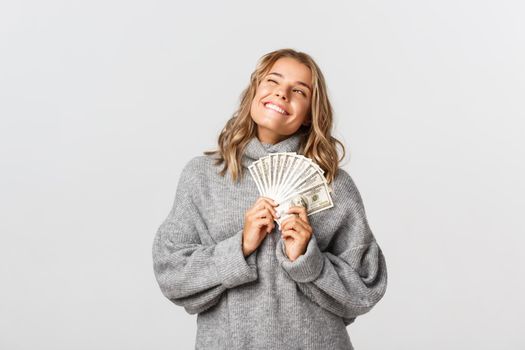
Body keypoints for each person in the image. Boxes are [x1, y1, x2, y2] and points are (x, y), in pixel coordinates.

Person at [152, 48, 388, 350]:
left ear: (309, 114)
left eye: (298, 91)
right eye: (272, 82)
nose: (281, 94)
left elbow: (366, 287)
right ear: (255, 90)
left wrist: (307, 259)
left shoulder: (333, 185)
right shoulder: (202, 177)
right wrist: (239, 248)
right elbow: (171, 273)